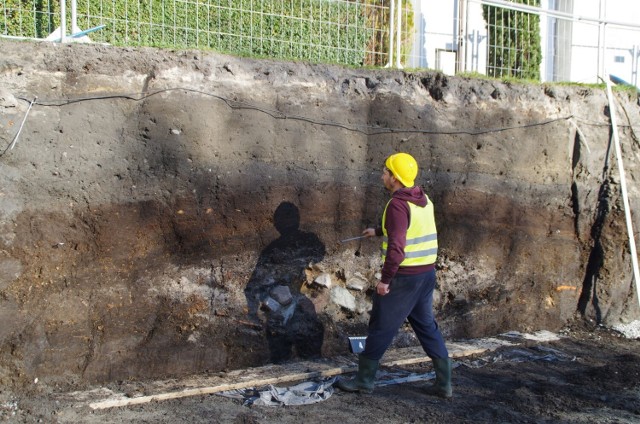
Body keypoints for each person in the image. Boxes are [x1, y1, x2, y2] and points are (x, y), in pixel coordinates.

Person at [335, 152, 452, 399]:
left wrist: (385, 281)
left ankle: (364, 381)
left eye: (385, 171)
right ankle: (444, 384)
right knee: (427, 327)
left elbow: (397, 249)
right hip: (425, 275)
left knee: (380, 328)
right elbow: (411, 228)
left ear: (394, 178)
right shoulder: (423, 199)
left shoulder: (397, 204)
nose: (382, 175)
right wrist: (378, 230)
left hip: (404, 279)